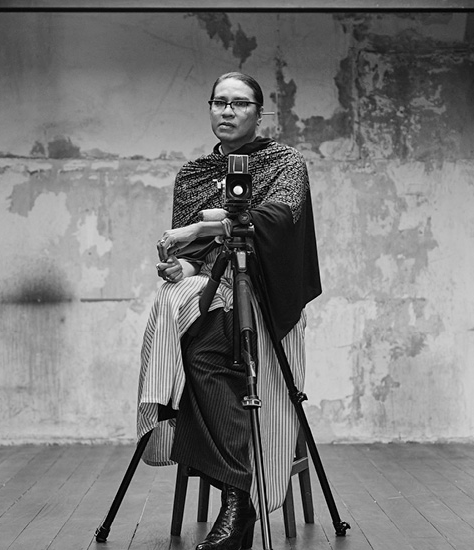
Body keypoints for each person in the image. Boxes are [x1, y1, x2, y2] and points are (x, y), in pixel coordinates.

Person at [136, 72, 321, 550]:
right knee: (201, 345)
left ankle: (231, 493)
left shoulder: (284, 162)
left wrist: (200, 227)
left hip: (268, 299)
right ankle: (239, 502)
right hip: (214, 296)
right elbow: (195, 259)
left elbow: (277, 219)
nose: (227, 111)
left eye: (240, 104)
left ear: (260, 114)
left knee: (200, 354)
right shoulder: (193, 174)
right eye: (219, 102)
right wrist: (179, 265)